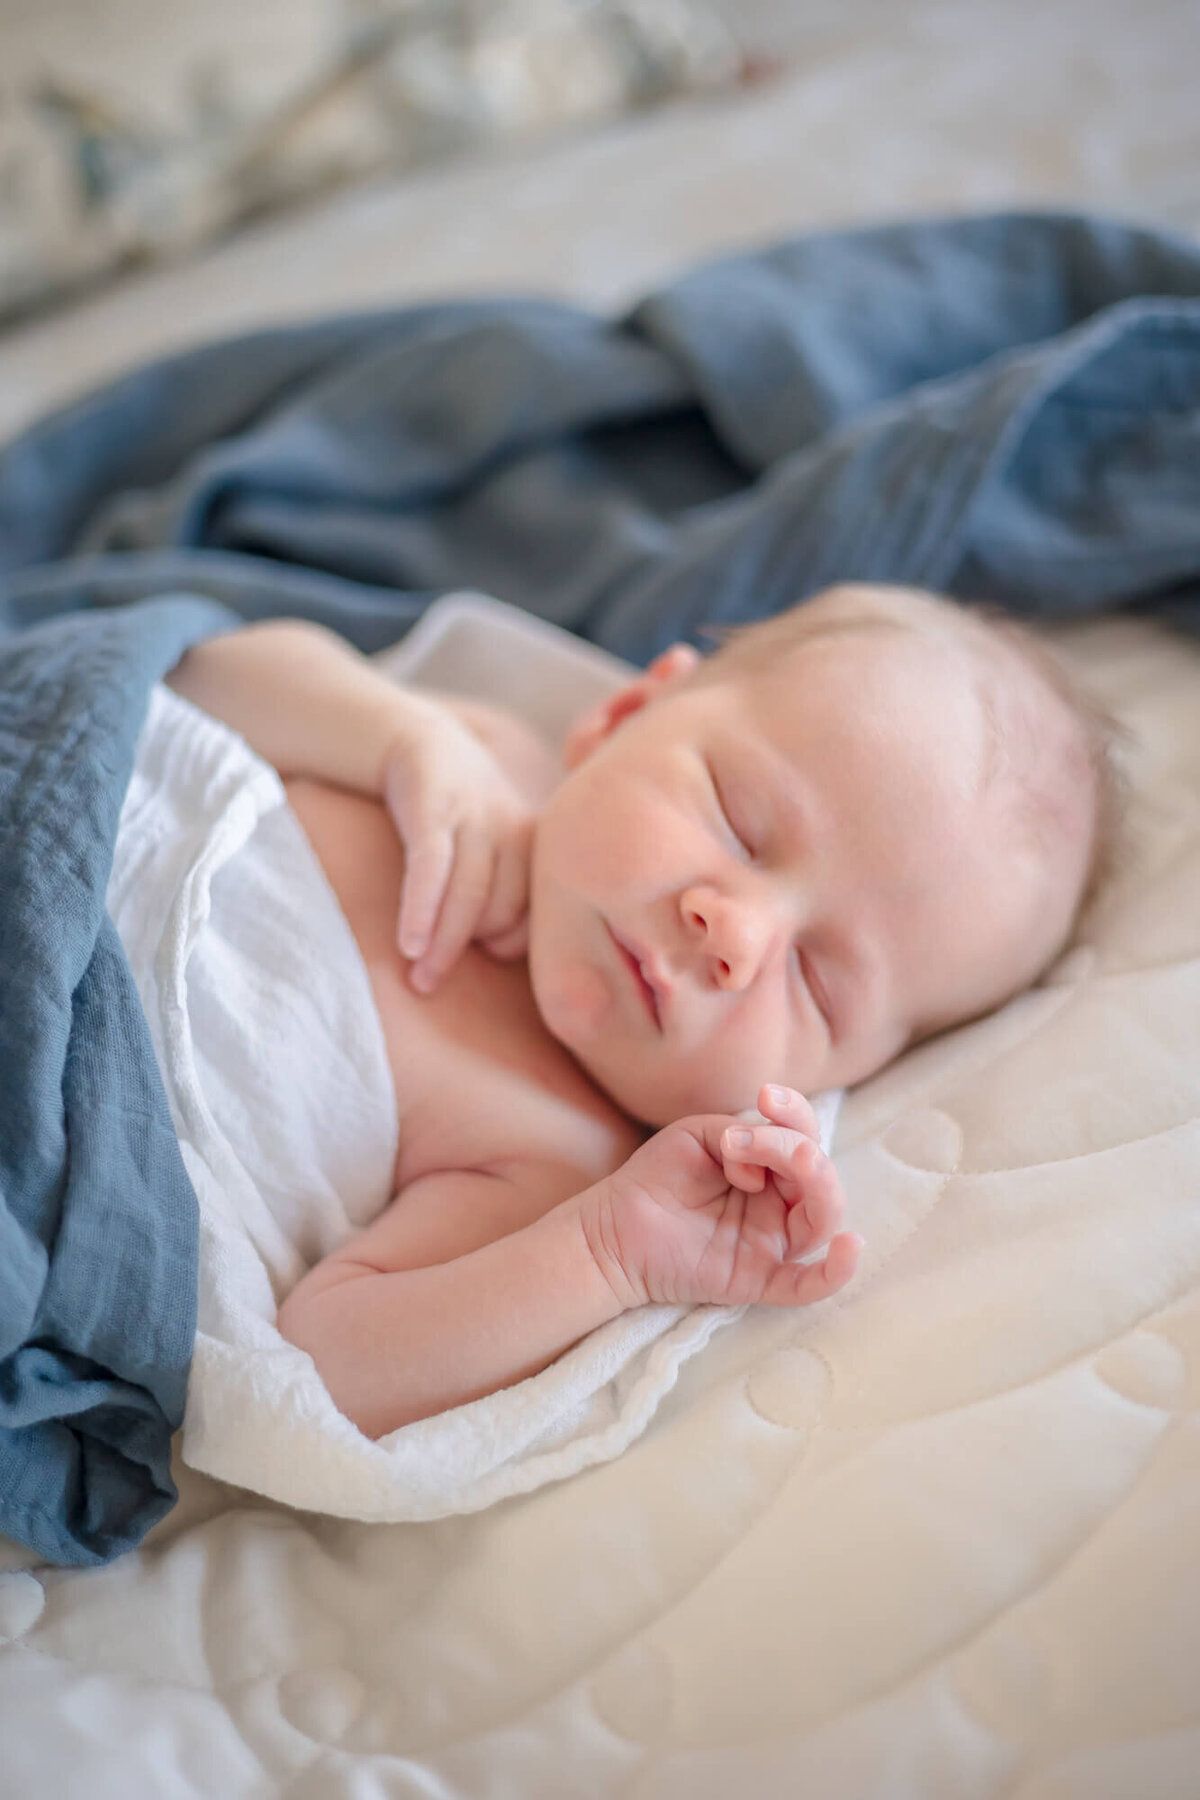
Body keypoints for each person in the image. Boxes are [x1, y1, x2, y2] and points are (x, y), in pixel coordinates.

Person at [162, 582, 1114, 1439]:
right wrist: (396, 735)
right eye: (740, 821)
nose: (735, 934)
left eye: (817, 984)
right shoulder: (479, 759)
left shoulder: (550, 1164)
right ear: (625, 714)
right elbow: (202, 674)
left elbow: (324, 1370)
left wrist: (608, 1255)